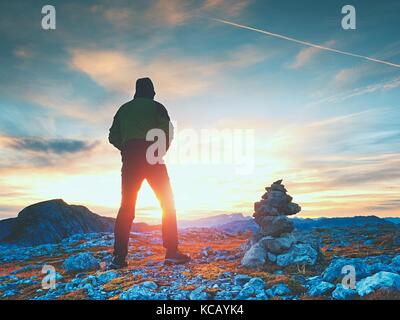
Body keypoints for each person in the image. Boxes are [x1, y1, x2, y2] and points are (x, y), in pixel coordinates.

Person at [108, 77, 190, 269]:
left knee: (126, 208)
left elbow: (112, 136)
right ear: (151, 91)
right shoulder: (157, 107)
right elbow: (167, 130)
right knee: (167, 203)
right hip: (152, 156)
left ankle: (119, 258)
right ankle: (171, 252)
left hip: (130, 160)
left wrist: (126, 147)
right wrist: (159, 150)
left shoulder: (123, 109)